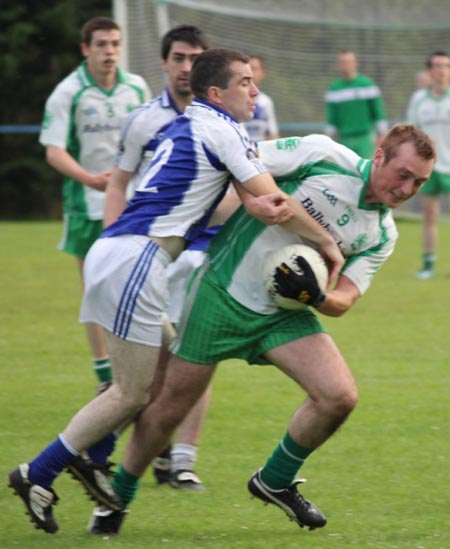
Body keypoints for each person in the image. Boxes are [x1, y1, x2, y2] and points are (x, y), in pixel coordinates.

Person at [8, 48, 343, 535]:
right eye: (245, 82)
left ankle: (95, 457)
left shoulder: (189, 123)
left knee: (167, 363)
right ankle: (38, 473)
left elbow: (245, 203)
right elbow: (272, 199)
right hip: (137, 259)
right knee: (130, 392)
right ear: (216, 93)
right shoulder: (224, 129)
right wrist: (326, 241)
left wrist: (267, 210)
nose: (254, 90)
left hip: (125, 253)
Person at [106, 124, 435, 535]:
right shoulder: (322, 155)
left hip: (284, 312)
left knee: (339, 396)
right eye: (403, 174)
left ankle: (274, 480)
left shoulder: (382, 233)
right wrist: (255, 202)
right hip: (221, 291)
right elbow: (238, 164)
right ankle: (115, 499)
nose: (408, 189)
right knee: (170, 407)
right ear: (381, 154)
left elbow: (345, 299)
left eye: (419, 182)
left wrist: (315, 296)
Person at [103, 24, 211, 494]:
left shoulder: (223, 117)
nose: (187, 68)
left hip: (205, 250)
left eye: (195, 59)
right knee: (151, 364)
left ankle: (182, 461)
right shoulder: (144, 120)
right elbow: (116, 182)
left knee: (198, 354)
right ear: (165, 63)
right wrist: (111, 241)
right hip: (151, 253)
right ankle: (120, 449)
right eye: (180, 59)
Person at [38, 16, 151, 392]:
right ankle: (106, 377)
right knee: (95, 290)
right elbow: (54, 151)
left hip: (134, 203)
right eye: (102, 44)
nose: (110, 51)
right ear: (86, 49)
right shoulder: (68, 92)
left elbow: (151, 138)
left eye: (115, 44)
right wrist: (90, 179)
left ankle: (142, 369)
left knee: (140, 286)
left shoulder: (136, 87)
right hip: (86, 205)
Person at [406, 51, 450, 279]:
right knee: (430, 215)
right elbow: (412, 133)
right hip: (429, 168)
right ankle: (428, 265)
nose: (441, 70)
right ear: (430, 71)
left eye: (446, 66)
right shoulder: (419, 100)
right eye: (437, 66)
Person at [324, 50, 388, 157]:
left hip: (365, 138)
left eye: (348, 62)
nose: (345, 65)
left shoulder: (367, 84)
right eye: (342, 62)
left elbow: (378, 112)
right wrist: (326, 140)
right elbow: (331, 119)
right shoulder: (334, 89)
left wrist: (383, 134)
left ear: (355, 63)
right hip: (344, 139)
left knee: (367, 170)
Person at [242, 55, 279, 143]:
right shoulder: (234, 99)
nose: (250, 73)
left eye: (254, 69)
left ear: (263, 73)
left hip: (261, 153)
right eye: (248, 68)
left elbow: (272, 133)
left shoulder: (266, 101)